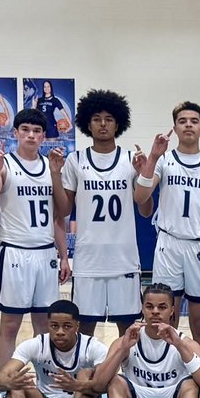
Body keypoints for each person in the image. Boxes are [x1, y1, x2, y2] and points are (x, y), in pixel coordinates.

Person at [0, 108, 72, 369]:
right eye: (26, 130)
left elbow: (61, 215)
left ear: (43, 136)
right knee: (10, 324)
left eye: (37, 131)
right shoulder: (5, 165)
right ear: (16, 132)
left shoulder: (51, 166)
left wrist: (64, 256)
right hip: (15, 252)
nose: (31, 135)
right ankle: (7, 386)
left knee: (44, 324)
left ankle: (43, 385)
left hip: (45, 254)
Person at [134, 101, 200, 368]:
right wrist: (152, 157)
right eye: (183, 120)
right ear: (174, 127)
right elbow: (140, 196)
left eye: (193, 121)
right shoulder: (164, 161)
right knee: (164, 320)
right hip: (169, 245)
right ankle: (167, 374)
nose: (188, 124)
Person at [60, 89, 150, 337]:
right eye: (97, 118)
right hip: (89, 259)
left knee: (128, 330)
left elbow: (145, 209)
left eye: (109, 119)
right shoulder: (75, 161)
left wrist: (144, 175)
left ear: (118, 123)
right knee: (85, 328)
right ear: (87, 123)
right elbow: (65, 210)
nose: (102, 124)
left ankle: (127, 377)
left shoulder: (131, 160)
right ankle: (88, 376)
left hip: (124, 258)